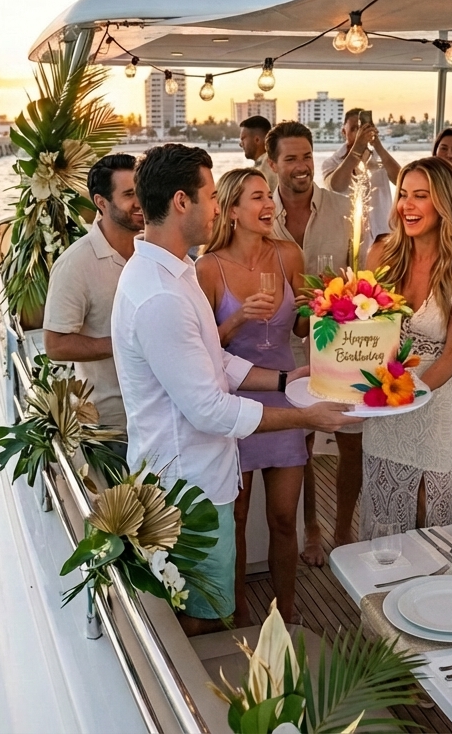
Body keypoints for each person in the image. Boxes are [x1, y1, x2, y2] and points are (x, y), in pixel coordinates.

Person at [111, 144, 359, 636]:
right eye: (210, 196)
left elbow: (217, 360)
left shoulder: (173, 274)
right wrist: (308, 417)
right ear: (182, 202)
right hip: (188, 490)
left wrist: (290, 379)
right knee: (202, 623)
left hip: (199, 478)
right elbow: (209, 410)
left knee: (210, 611)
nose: (216, 208)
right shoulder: (162, 295)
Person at [196, 168, 309, 625]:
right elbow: (204, 351)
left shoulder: (289, 255)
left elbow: (302, 328)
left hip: (285, 394)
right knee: (237, 518)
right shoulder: (208, 269)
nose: (271, 206)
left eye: (270, 197)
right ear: (232, 209)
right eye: (258, 197)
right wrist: (240, 318)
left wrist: (322, 310)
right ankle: (238, 611)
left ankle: (288, 611)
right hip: (235, 404)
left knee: (284, 519)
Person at [360, 157, 452, 537]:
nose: (406, 205)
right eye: (402, 195)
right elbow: (364, 335)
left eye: (420, 196)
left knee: (430, 518)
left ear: (444, 203)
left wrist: (406, 395)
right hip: (385, 406)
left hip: (437, 405)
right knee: (386, 515)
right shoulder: (381, 254)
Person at [265, 121, 367, 566]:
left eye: (306, 156)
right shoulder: (260, 215)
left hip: (341, 346)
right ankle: (311, 527)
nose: (302, 166)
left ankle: (344, 527)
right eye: (290, 158)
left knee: (351, 442)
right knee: (300, 446)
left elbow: (365, 276)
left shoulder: (346, 207)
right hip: (284, 350)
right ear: (272, 165)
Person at [43, 153, 141, 441]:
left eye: (142, 191)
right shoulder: (76, 263)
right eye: (129, 194)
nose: (141, 202)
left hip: (162, 415)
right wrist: (126, 344)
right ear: (101, 202)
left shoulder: (155, 249)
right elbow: (56, 346)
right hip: (111, 426)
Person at [323, 108, 401, 244]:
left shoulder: (380, 158)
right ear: (343, 132)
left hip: (383, 239)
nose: (359, 133)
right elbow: (336, 186)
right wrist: (357, 148)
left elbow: (401, 180)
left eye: (362, 128)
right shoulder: (332, 162)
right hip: (346, 240)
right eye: (354, 129)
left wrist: (377, 145)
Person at [238, 115, 277, 195]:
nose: (241, 144)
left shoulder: (269, 167)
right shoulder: (269, 163)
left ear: (257, 140)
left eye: (243, 139)